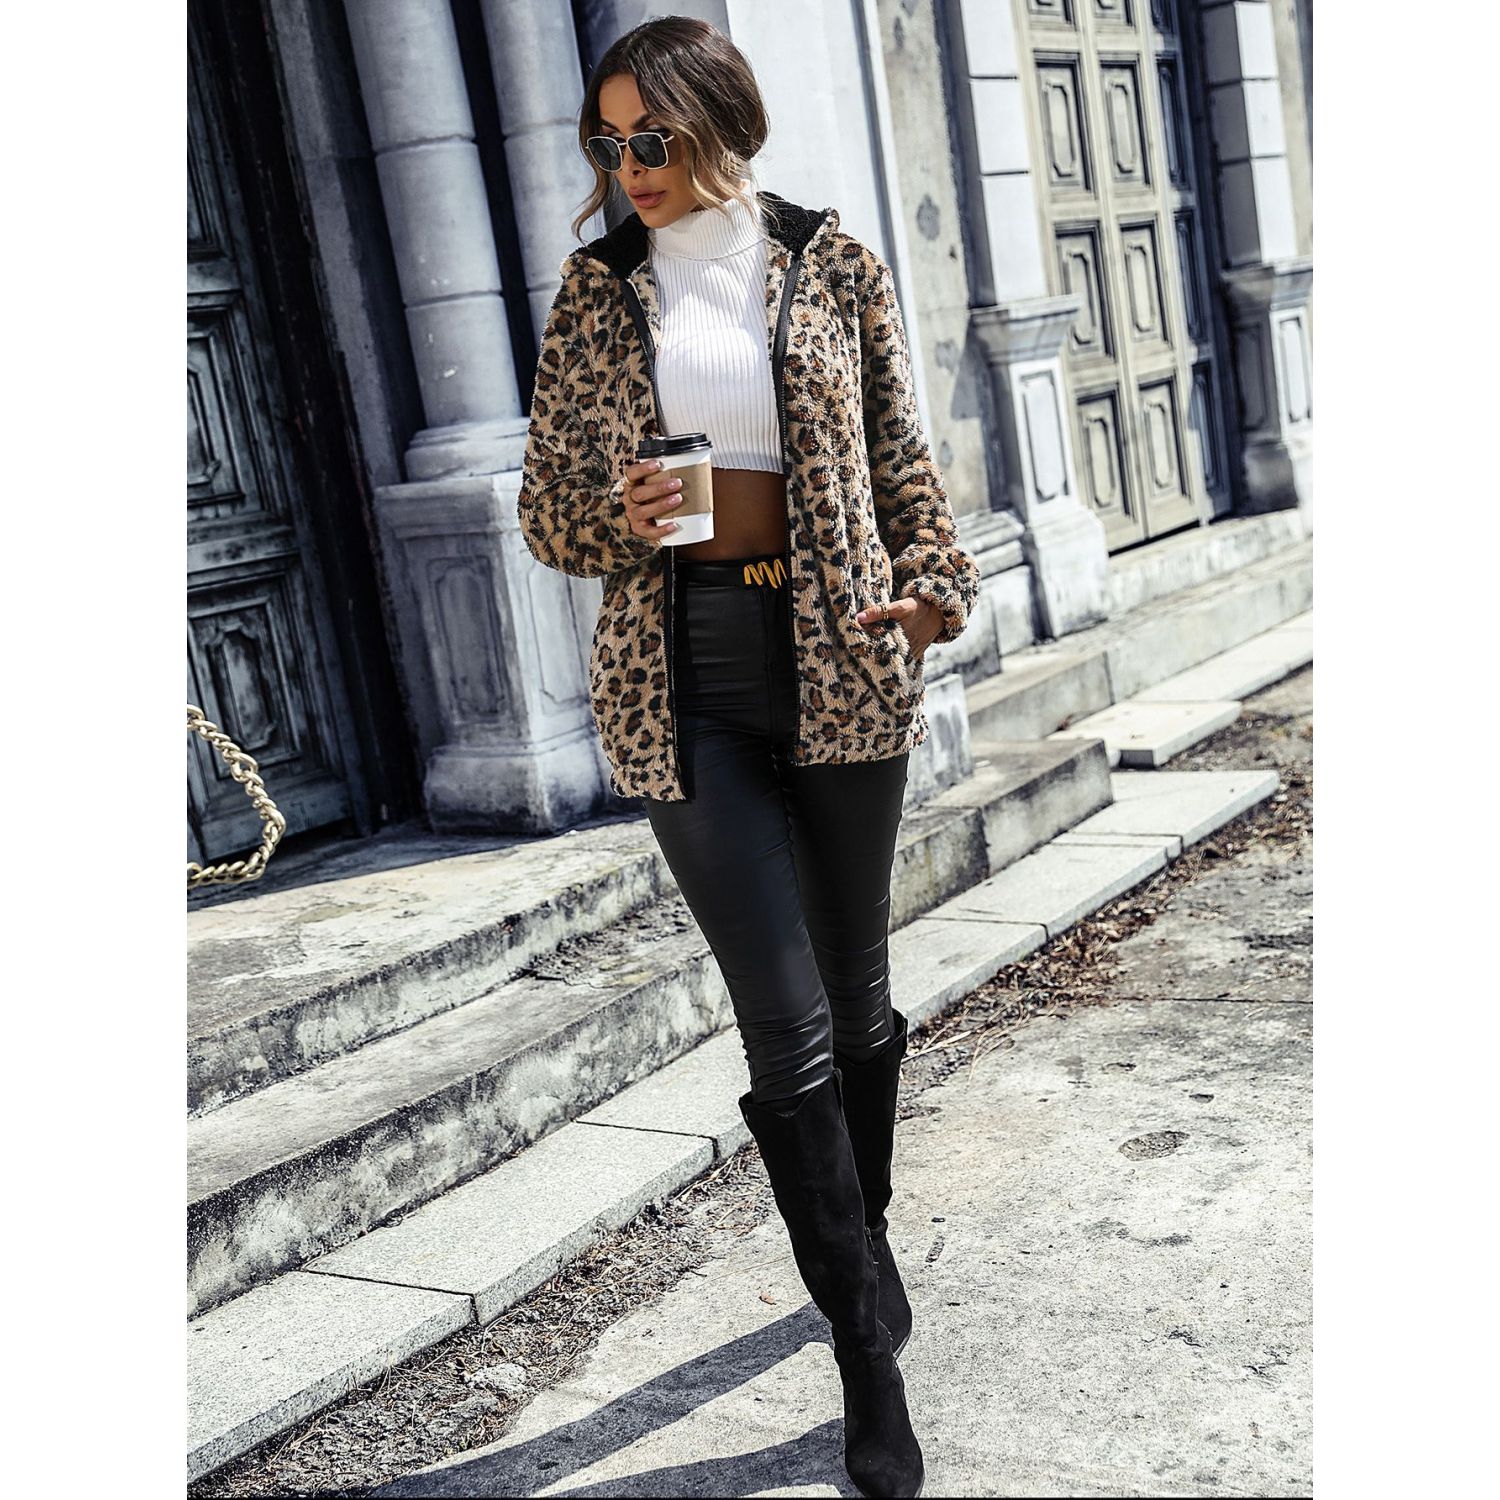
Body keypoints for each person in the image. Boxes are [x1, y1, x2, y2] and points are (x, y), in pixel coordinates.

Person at [517, 17, 979, 1498]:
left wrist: (936, 590)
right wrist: (619, 511)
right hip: (683, 688)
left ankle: (864, 1242)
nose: (629, 167)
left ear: (721, 124)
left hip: (842, 662)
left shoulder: (832, 264)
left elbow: (903, 461)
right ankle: (865, 1357)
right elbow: (545, 512)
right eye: (608, 143)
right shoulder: (595, 294)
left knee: (858, 998)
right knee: (783, 1022)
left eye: (652, 138)